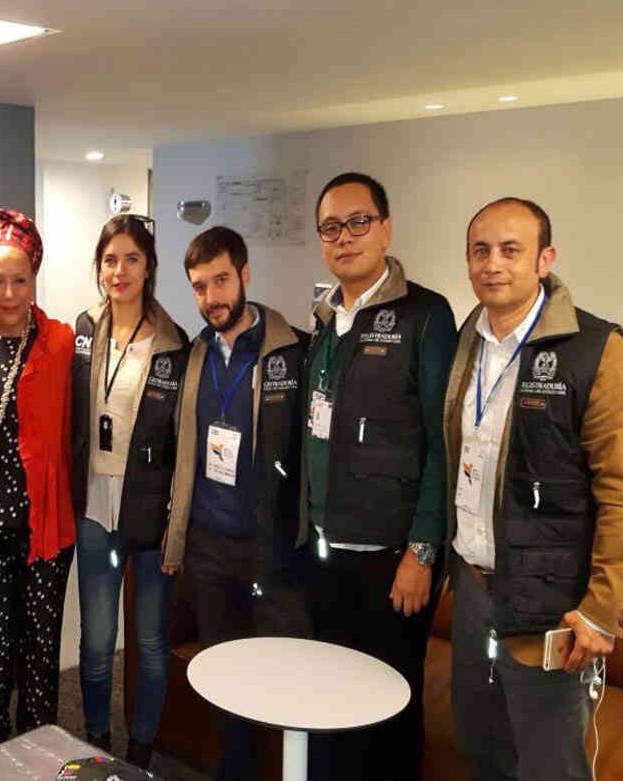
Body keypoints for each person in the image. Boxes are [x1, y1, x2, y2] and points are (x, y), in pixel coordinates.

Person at [445, 197, 623, 780]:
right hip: (474, 587)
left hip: (553, 606)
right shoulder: (469, 339)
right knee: (480, 750)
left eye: (511, 250)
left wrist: (602, 611)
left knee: (548, 767)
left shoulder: (594, 349)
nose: (493, 264)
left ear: (544, 259)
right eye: (481, 250)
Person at [301, 173, 457, 781]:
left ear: (386, 228)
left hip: (393, 560)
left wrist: (422, 550)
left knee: (390, 707)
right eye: (332, 227)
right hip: (325, 552)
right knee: (333, 700)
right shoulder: (324, 319)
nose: (346, 238)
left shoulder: (425, 316)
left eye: (359, 222)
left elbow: (443, 445)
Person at [161, 225, 311, 781]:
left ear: (245, 275)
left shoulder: (293, 349)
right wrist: (177, 539)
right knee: (227, 681)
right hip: (209, 548)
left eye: (221, 280)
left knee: (287, 679)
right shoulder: (195, 353)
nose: (211, 298)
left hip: (273, 550)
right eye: (199, 287)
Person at [0, 207, 76, 747]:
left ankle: (40, 740)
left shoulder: (61, 342)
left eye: (19, 280)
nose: (8, 292)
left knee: (41, 644)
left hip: (43, 530)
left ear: (34, 279)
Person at [70, 215, 188, 769]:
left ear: (149, 268)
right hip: (94, 506)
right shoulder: (83, 330)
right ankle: (95, 738)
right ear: (100, 267)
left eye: (132, 260)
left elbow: (181, 441)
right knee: (97, 644)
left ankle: (142, 747)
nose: (120, 271)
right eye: (111, 260)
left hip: (150, 513)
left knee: (149, 647)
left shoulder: (172, 343)